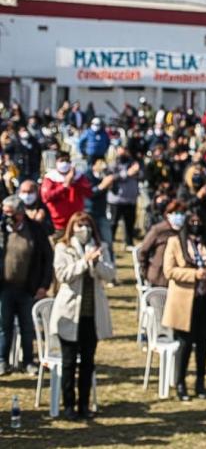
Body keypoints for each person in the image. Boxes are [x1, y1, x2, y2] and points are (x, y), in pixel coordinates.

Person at [50, 212, 115, 420]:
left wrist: (96, 263)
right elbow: (63, 275)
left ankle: (84, 405)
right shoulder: (63, 247)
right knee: (69, 362)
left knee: (88, 362)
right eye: (79, 225)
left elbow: (110, 274)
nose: (83, 229)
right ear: (72, 227)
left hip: (91, 314)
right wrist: (84, 262)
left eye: (87, 224)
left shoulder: (100, 246)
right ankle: (68, 404)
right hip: (70, 313)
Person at [161, 209, 206, 401]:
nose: (196, 225)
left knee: (203, 343)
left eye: (199, 221)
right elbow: (169, 271)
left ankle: (200, 382)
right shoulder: (175, 242)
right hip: (184, 301)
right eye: (193, 221)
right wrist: (193, 275)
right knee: (185, 343)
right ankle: (180, 382)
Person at [0, 195, 53, 375]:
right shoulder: (1, 229)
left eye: (11, 213)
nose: (7, 217)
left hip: (28, 288)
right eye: (4, 213)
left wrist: (44, 285)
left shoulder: (36, 231)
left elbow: (47, 259)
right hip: (4, 288)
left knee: (27, 327)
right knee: (4, 326)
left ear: (21, 214)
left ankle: (28, 361)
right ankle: (2, 360)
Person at [40, 152, 92, 235]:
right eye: (62, 160)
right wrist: (64, 186)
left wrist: (74, 181)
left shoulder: (78, 176)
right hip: (57, 223)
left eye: (67, 161)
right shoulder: (50, 178)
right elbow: (46, 197)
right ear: (56, 162)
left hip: (76, 221)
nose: (65, 163)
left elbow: (88, 192)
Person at [139, 201, 187, 288]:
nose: (179, 216)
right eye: (176, 213)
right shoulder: (158, 230)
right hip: (159, 277)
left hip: (179, 277)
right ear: (168, 214)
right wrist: (144, 271)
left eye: (182, 213)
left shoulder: (185, 232)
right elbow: (143, 251)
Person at [106, 148, 141, 249]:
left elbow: (142, 175)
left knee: (130, 222)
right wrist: (127, 173)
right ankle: (110, 241)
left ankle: (129, 242)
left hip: (130, 199)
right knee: (113, 222)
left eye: (125, 151)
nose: (123, 153)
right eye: (120, 151)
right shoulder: (113, 164)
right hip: (116, 199)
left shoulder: (133, 164)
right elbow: (111, 177)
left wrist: (137, 171)